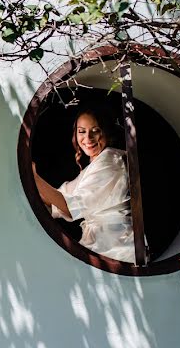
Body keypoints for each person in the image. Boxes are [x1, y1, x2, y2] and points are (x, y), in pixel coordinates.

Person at [32, 106, 136, 263]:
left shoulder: (110, 160)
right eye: (82, 131)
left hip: (115, 245)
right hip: (99, 244)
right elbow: (59, 199)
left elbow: (71, 205)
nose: (88, 138)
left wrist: (34, 177)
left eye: (95, 130)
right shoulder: (94, 166)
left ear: (106, 132)